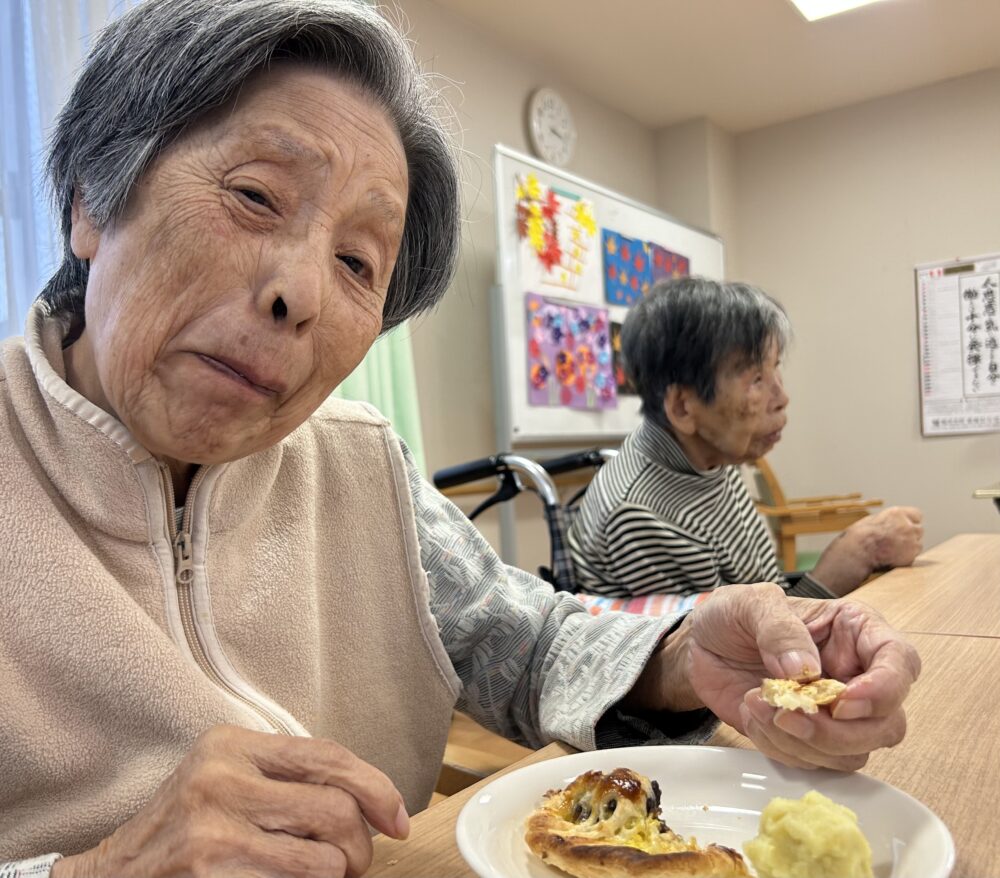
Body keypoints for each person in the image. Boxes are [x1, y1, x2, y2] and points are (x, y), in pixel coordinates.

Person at [0, 3, 920, 876]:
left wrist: (682, 656)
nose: (301, 294)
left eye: (358, 261)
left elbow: (530, 643)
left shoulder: (358, 463)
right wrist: (93, 866)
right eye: (253, 195)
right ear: (91, 197)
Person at [569, 277, 924, 601]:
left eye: (776, 368)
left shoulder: (707, 456)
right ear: (683, 407)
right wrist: (857, 552)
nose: (781, 397)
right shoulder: (642, 519)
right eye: (756, 379)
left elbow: (766, 594)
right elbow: (728, 659)